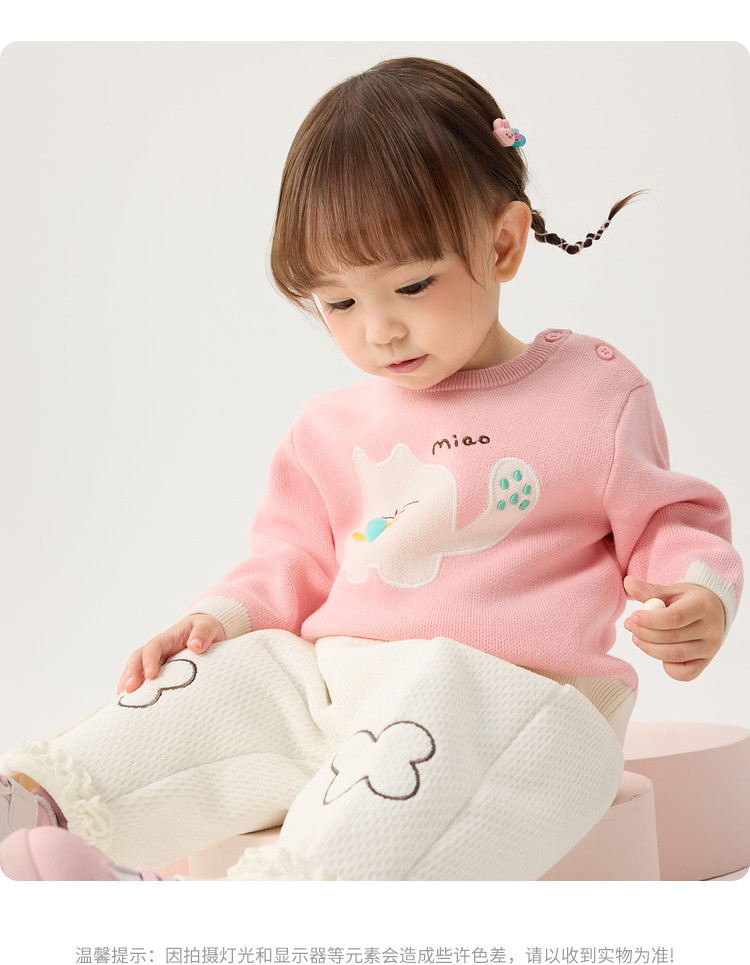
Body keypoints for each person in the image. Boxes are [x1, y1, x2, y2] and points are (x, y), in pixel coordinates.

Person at [0, 56, 741, 882]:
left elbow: (671, 520)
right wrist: (215, 620)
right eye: (341, 303)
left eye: (412, 285)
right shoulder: (331, 429)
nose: (379, 330)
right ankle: (50, 816)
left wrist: (698, 593)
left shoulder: (591, 393)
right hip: (344, 689)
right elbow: (292, 559)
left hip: (523, 703)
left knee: (438, 724)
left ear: (502, 243)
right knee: (242, 676)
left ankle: (289, 903)